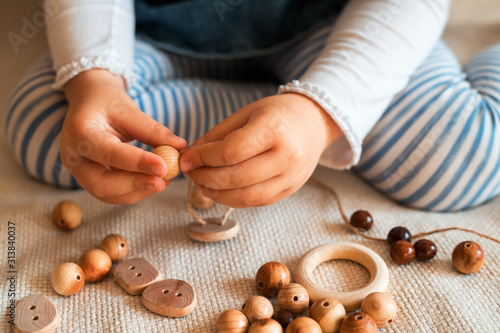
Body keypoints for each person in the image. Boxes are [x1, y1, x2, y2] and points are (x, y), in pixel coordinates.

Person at [4, 0, 500, 211]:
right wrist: (95, 84)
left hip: (340, 35)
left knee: (461, 157)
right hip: (148, 35)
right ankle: (268, 112)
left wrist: (321, 111)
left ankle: (292, 115)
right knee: (49, 132)